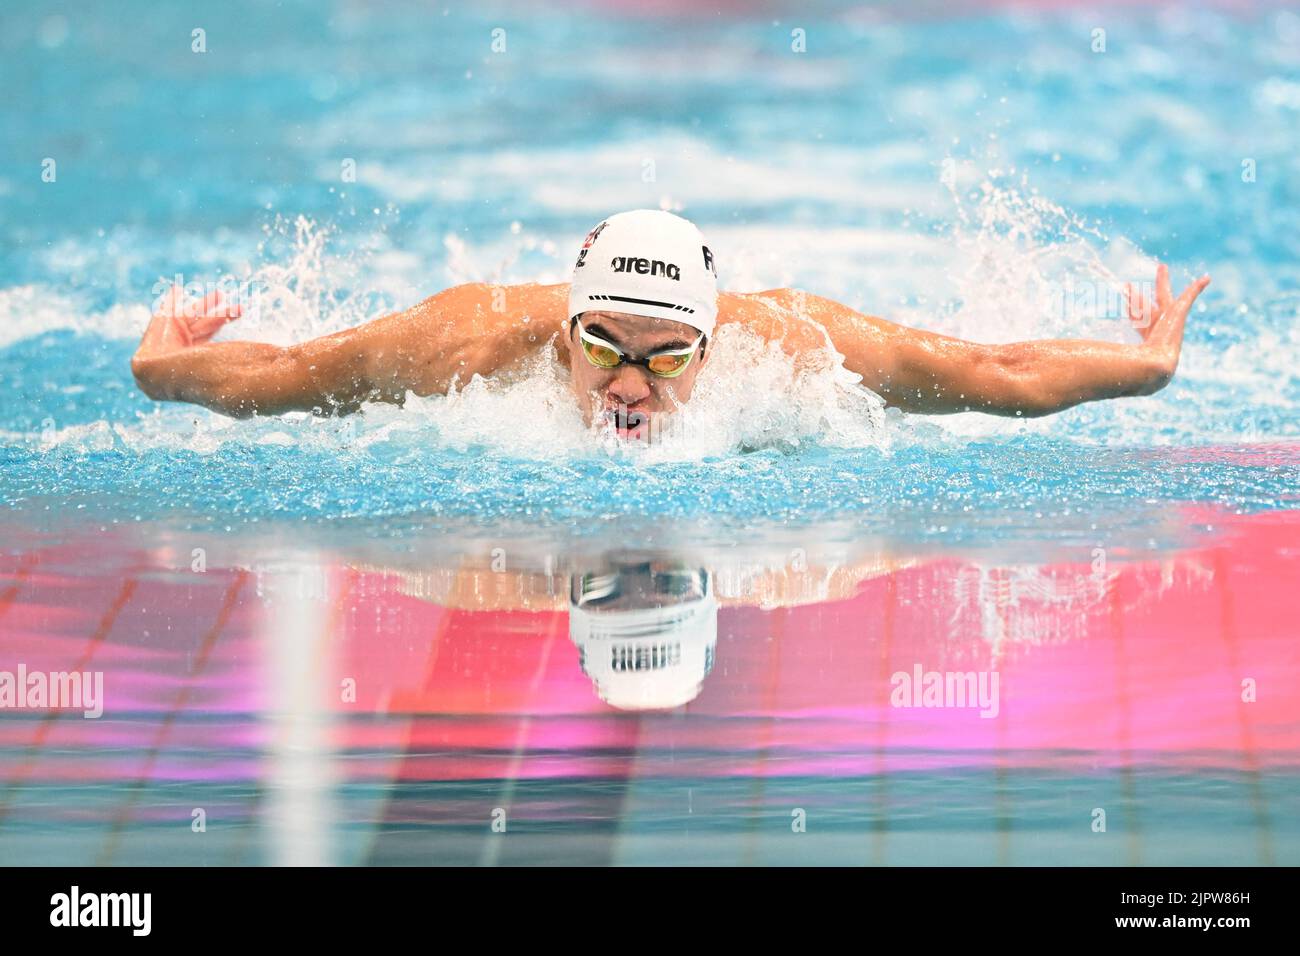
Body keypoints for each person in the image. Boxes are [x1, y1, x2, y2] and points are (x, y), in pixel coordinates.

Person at [130, 209, 1210, 442]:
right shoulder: (465, 344)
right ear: (563, 332)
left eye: (665, 357)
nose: (629, 388)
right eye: (603, 346)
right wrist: (162, 371)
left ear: (712, 345)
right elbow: (280, 375)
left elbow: (989, 368)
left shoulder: (794, 347)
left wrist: (1144, 367)